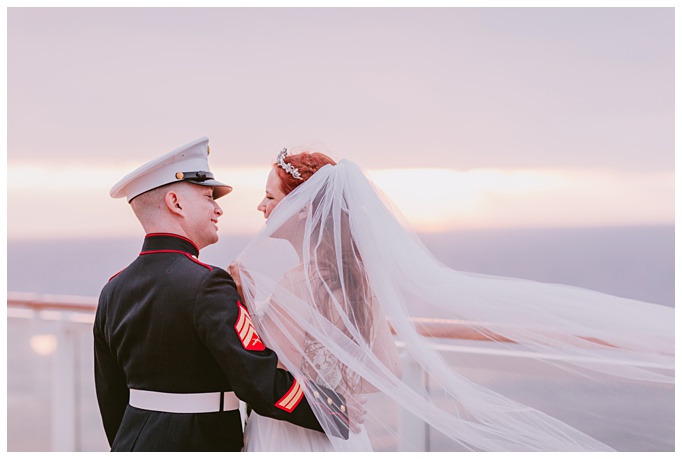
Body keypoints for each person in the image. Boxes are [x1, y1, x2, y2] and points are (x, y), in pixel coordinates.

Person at [229, 147, 674, 452]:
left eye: (269, 197)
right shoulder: (357, 281)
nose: (262, 208)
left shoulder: (293, 284)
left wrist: (239, 299)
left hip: (290, 436)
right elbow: (387, 368)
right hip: (343, 437)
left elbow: (267, 373)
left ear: (302, 207)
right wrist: (340, 392)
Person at [94, 137, 354, 452]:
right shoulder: (207, 284)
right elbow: (256, 380)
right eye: (208, 197)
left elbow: (110, 395)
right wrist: (333, 409)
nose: (218, 209)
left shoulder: (112, 289)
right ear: (175, 203)